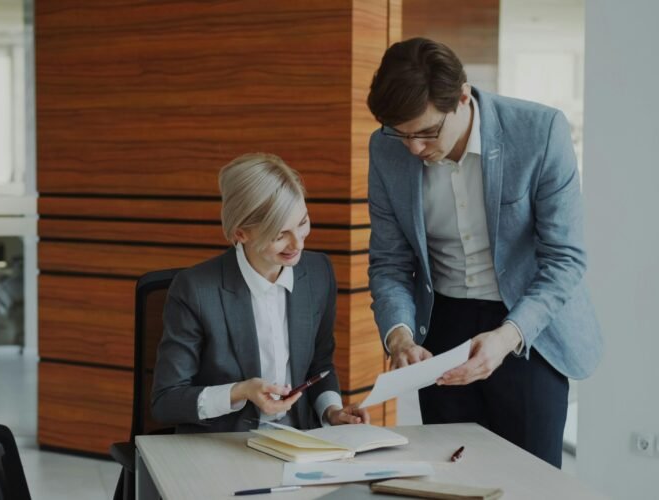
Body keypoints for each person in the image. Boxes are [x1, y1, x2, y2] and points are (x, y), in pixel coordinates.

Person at [365, 38, 602, 467]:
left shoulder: (538, 132)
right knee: (449, 474)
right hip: (441, 331)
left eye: (426, 131)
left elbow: (564, 259)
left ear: (461, 97)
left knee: (530, 482)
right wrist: (399, 335)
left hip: (528, 329)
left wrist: (508, 336)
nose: (414, 148)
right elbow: (391, 262)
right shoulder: (385, 149)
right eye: (401, 134)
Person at [152, 152, 370, 433]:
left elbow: (319, 365)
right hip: (225, 444)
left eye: (302, 223)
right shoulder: (196, 289)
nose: (298, 245)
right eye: (280, 235)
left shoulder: (317, 272)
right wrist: (240, 392)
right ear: (241, 234)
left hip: (298, 440)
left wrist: (332, 411)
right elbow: (166, 401)